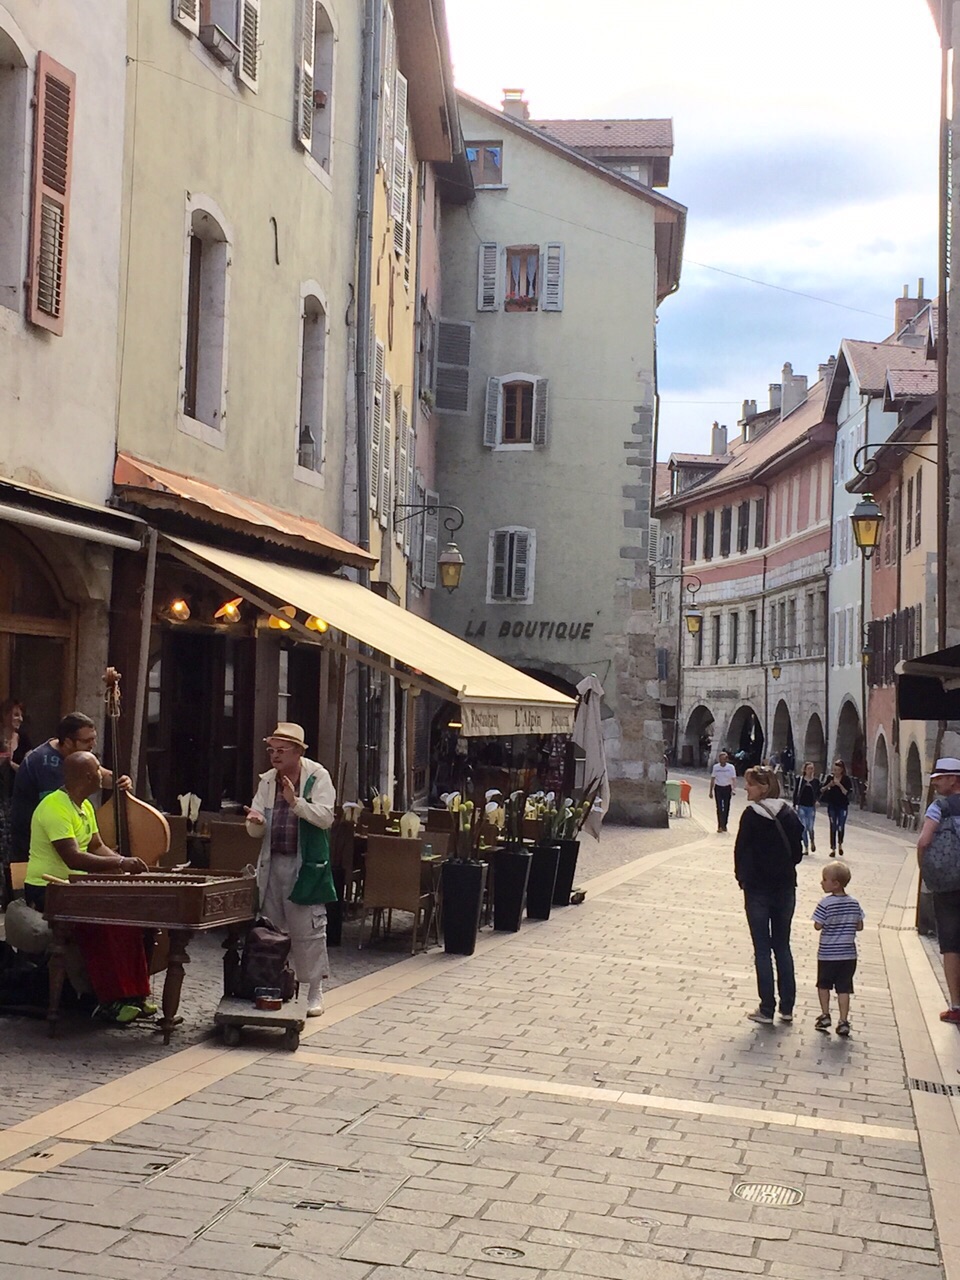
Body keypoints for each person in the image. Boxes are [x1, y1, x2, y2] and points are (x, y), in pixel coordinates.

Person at [24, 751, 152, 1023]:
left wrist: (121, 863)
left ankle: (134, 994)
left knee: (129, 919)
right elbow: (73, 856)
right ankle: (107, 1001)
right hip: (48, 889)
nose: (103, 775)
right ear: (86, 777)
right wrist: (120, 861)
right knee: (101, 923)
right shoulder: (54, 807)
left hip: (76, 887)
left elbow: (96, 846)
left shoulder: (85, 806)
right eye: (98, 771)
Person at [245, 723, 337, 1017]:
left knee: (307, 929)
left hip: (305, 863)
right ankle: (274, 985)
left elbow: (325, 817)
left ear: (298, 752)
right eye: (271, 749)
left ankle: (313, 990)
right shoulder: (267, 781)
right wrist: (255, 823)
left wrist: (295, 803)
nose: (274, 755)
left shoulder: (317, 777)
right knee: (271, 928)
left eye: (281, 750)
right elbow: (256, 822)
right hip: (273, 863)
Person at [10, 711, 130, 862]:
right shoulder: (46, 765)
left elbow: (98, 773)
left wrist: (119, 780)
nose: (92, 745)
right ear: (68, 742)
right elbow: (57, 816)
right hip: (33, 848)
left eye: (94, 739)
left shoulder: (69, 754)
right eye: (87, 741)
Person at [734, 765, 804, 1024]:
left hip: (758, 891)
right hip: (785, 888)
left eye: (750, 784)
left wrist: (744, 880)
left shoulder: (751, 816)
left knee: (762, 949)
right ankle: (787, 1007)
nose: (745, 788)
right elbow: (797, 852)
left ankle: (766, 1008)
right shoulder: (789, 814)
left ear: (763, 787)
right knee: (782, 946)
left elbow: (741, 853)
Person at [916, 757, 960, 1024]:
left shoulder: (939, 807)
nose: (935, 783)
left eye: (940, 778)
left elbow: (923, 842)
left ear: (954, 779)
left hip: (947, 884)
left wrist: (927, 872)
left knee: (951, 945)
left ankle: (956, 1006)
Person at [812, 860, 864, 1037]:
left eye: (824, 879)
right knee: (844, 988)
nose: (822, 882)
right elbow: (859, 926)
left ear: (835, 884)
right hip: (848, 955)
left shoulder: (825, 904)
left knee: (824, 984)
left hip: (828, 954)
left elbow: (818, 925)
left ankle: (825, 1014)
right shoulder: (854, 903)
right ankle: (843, 1020)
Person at [1, 699, 31, 893]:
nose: (19, 719)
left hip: (14, 798)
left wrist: (10, 763)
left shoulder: (24, 740)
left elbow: (28, 770)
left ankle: (12, 893)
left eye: (20, 714)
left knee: (12, 845)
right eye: (15, 714)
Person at [820, 759, 852, 856]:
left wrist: (839, 785)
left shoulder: (846, 779)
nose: (836, 772)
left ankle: (840, 844)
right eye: (834, 770)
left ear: (842, 770)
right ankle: (833, 848)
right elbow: (822, 789)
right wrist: (829, 785)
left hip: (842, 805)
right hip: (832, 805)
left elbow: (847, 793)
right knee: (833, 826)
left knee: (841, 826)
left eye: (838, 770)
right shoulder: (830, 777)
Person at [793, 762, 821, 856]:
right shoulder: (800, 780)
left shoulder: (816, 781)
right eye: (809, 768)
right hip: (801, 806)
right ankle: (806, 847)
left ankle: (812, 840)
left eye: (812, 768)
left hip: (811, 807)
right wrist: (794, 804)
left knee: (810, 827)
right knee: (803, 827)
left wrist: (817, 800)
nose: (811, 770)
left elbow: (819, 793)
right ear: (805, 770)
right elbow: (796, 792)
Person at [709, 749, 736, 833]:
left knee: (726, 807)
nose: (722, 761)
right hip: (718, 788)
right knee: (719, 807)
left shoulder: (731, 767)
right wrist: (710, 791)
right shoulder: (716, 767)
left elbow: (734, 779)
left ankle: (724, 824)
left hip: (727, 788)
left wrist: (733, 789)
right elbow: (713, 778)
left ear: (726, 759)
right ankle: (720, 825)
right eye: (720, 759)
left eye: (723, 759)